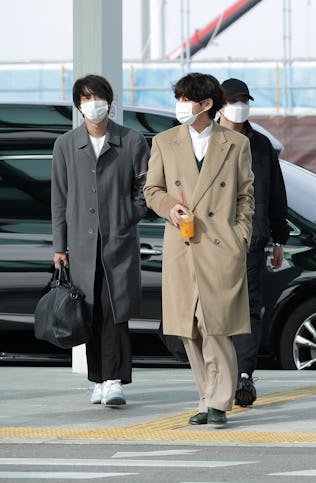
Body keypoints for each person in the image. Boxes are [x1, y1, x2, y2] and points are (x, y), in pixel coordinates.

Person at [144, 72, 254, 426]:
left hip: (220, 244)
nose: (180, 106)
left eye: (185, 99)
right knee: (188, 327)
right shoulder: (163, 141)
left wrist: (241, 236)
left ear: (206, 104)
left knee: (215, 325)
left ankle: (220, 401)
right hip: (182, 244)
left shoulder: (235, 144)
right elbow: (152, 190)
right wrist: (168, 208)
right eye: (178, 98)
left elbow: (245, 196)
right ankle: (206, 396)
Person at [51, 74, 149, 407]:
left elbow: (145, 189)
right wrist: (59, 246)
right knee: (88, 312)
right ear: (79, 105)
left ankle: (114, 379)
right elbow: (59, 199)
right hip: (80, 244)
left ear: (110, 102)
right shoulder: (66, 144)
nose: (94, 104)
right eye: (87, 98)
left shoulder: (132, 141)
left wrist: (127, 216)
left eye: (99, 97)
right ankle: (98, 380)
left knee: (115, 310)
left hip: (118, 243)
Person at [219, 78, 290, 407]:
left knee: (248, 309)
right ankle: (220, 371)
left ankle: (244, 375)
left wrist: (279, 237)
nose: (241, 106)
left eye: (245, 100)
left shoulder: (260, 145)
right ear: (219, 105)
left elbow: (276, 194)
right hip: (213, 242)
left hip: (251, 240)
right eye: (235, 100)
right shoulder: (208, 141)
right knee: (214, 309)